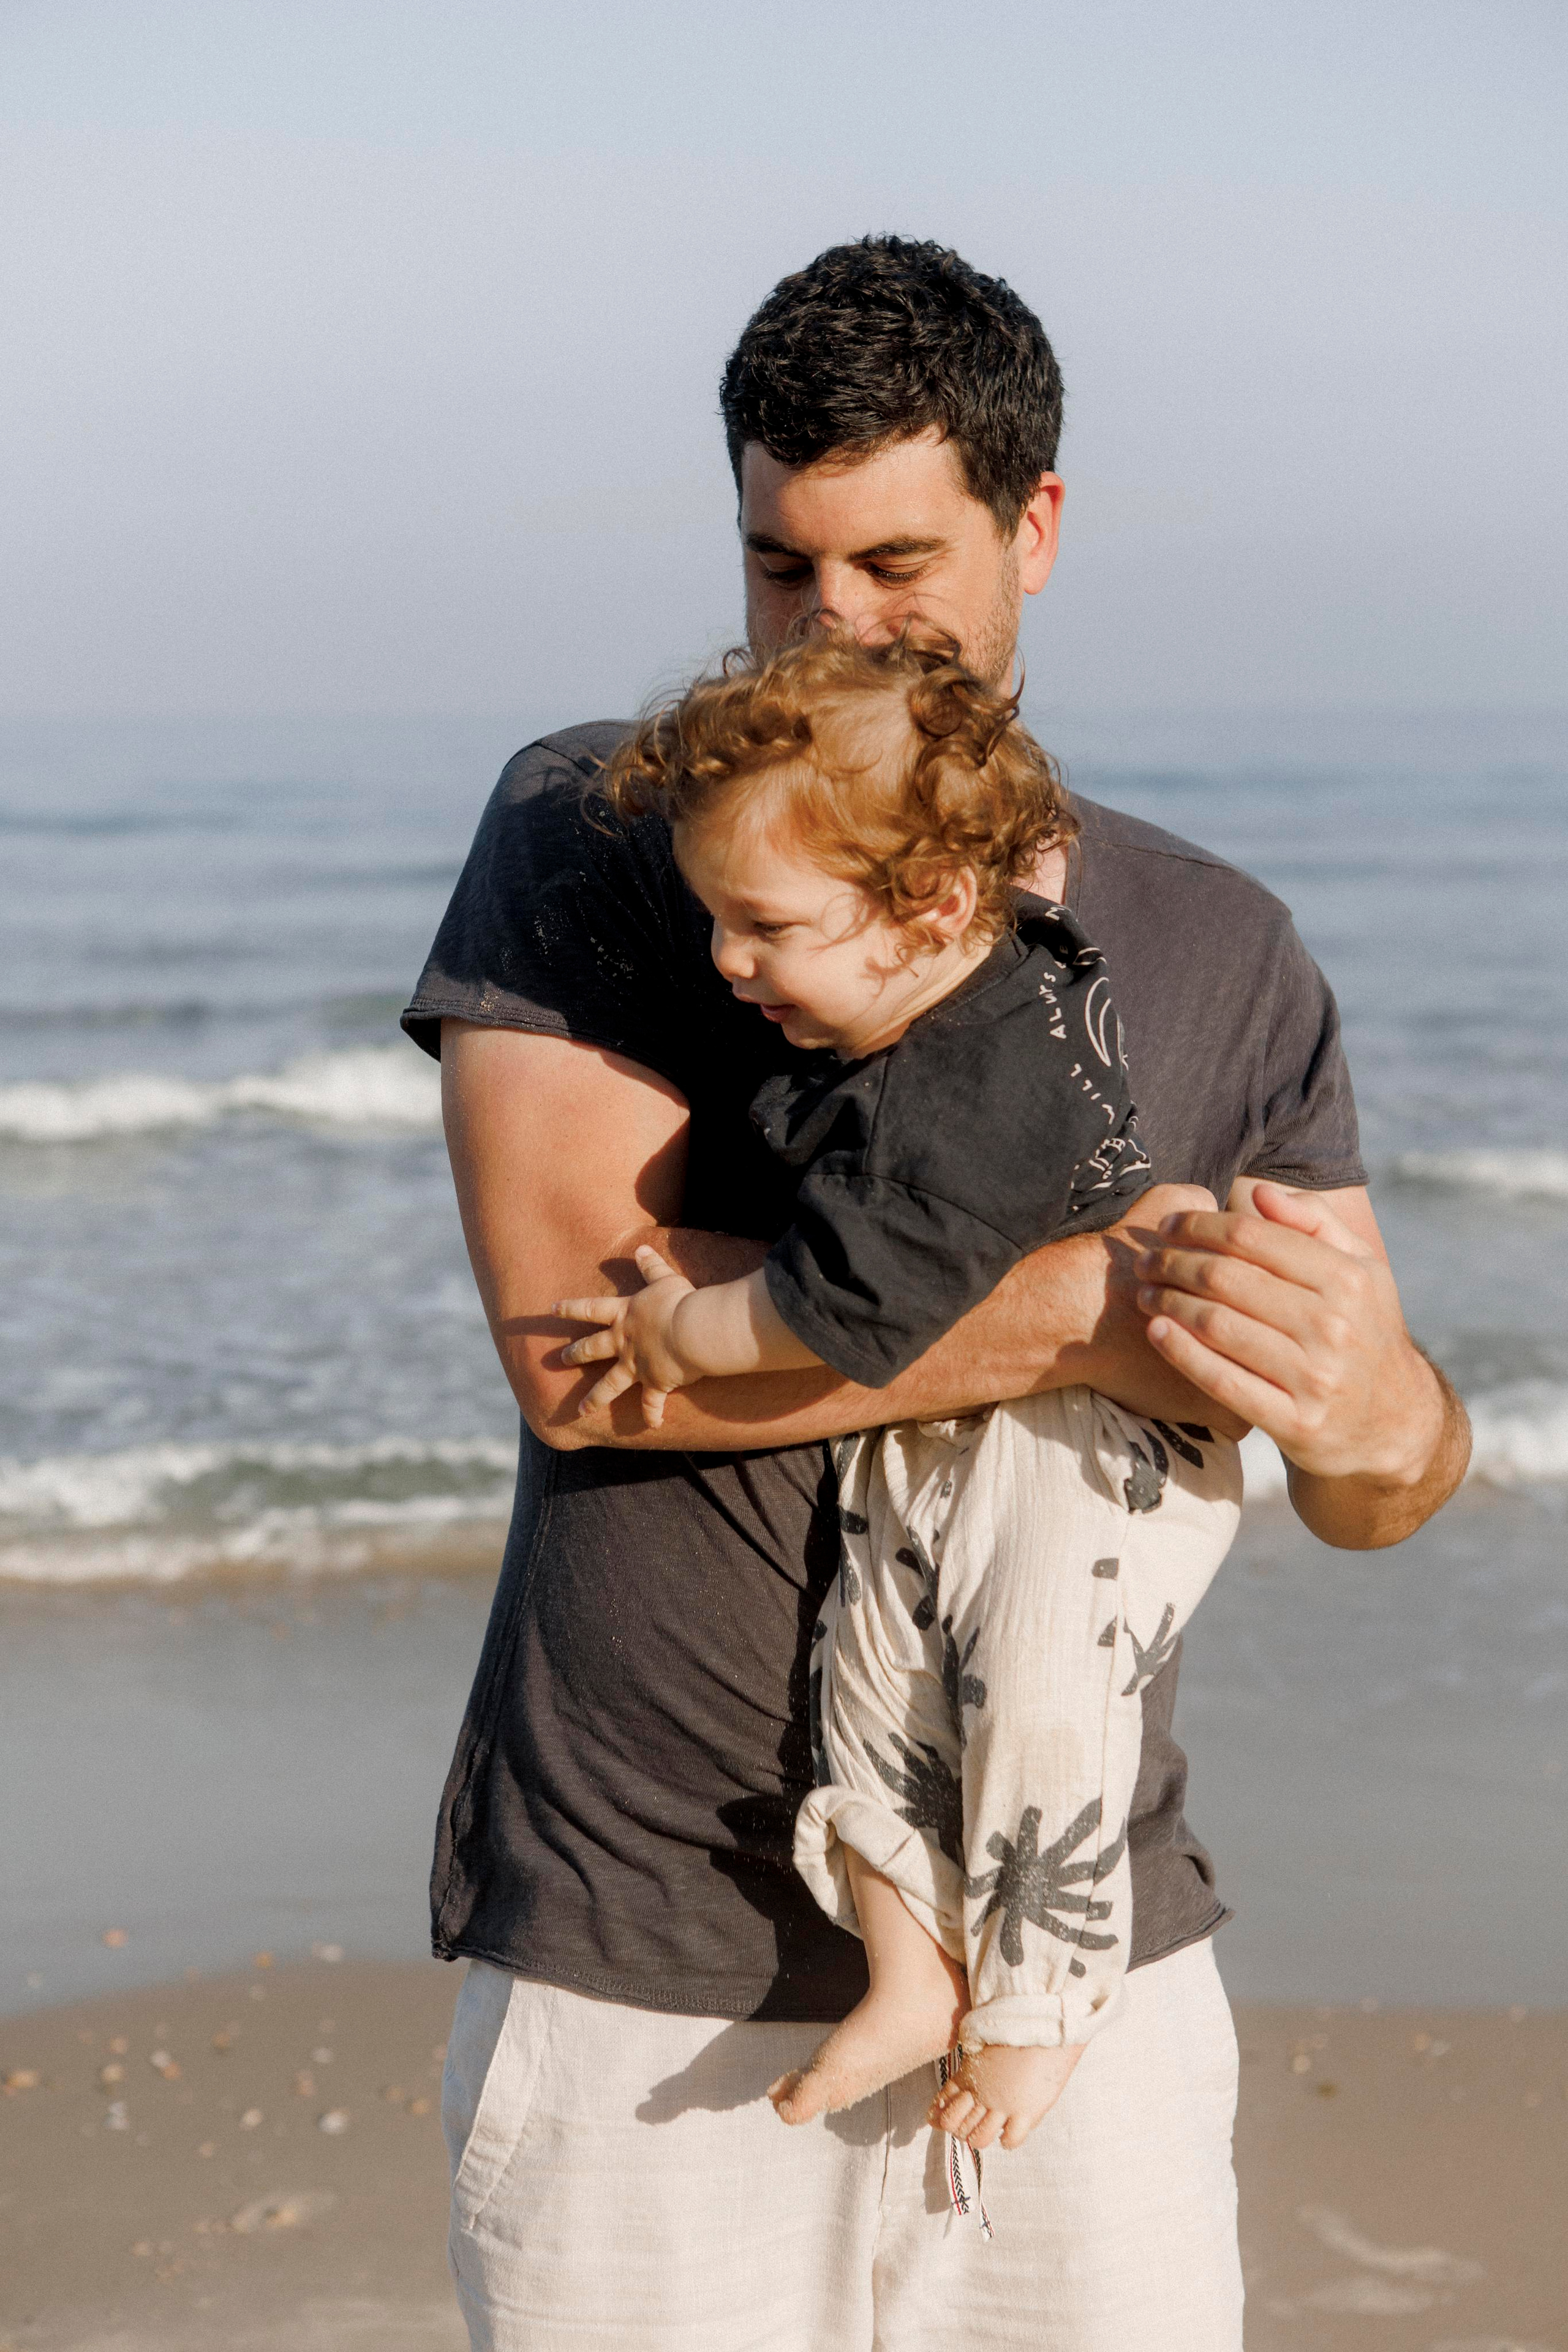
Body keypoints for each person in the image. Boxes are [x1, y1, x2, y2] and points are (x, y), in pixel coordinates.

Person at [404, 238, 1470, 2351]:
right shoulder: (609, 833)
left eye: (896, 561)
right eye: (778, 566)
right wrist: (1107, 1311)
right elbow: (585, 1362)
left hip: (1088, 1955)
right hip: (650, 1964)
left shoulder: (1222, 945)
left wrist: (1378, 1414)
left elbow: (1381, 1477)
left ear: (1037, 526)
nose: (835, 624)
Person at [556, 629, 1242, 2183]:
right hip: (969, 1416)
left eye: (763, 926)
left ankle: (1042, 2003)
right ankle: (912, 1963)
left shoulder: (980, 1077)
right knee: (866, 1667)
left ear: (929, 910)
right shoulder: (922, 989)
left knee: (1035, 1678)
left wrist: (681, 1329)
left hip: (1100, 1441)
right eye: (715, 921)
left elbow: (853, 1301)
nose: (728, 963)